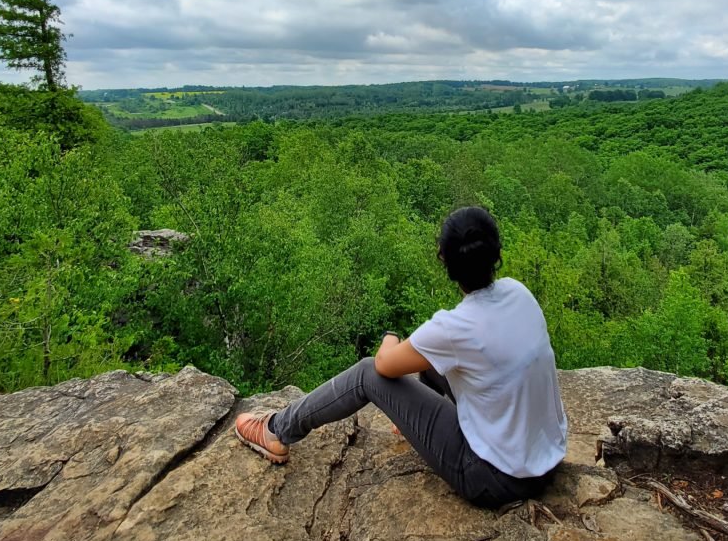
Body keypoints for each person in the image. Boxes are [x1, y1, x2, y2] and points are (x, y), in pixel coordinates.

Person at [234, 206, 568, 507]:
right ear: (496, 252)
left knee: (369, 373)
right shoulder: (519, 292)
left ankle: (277, 430)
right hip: (546, 460)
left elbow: (383, 366)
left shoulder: (455, 328)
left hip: (492, 479)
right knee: (433, 364)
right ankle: (413, 427)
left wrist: (389, 336)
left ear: (444, 261)